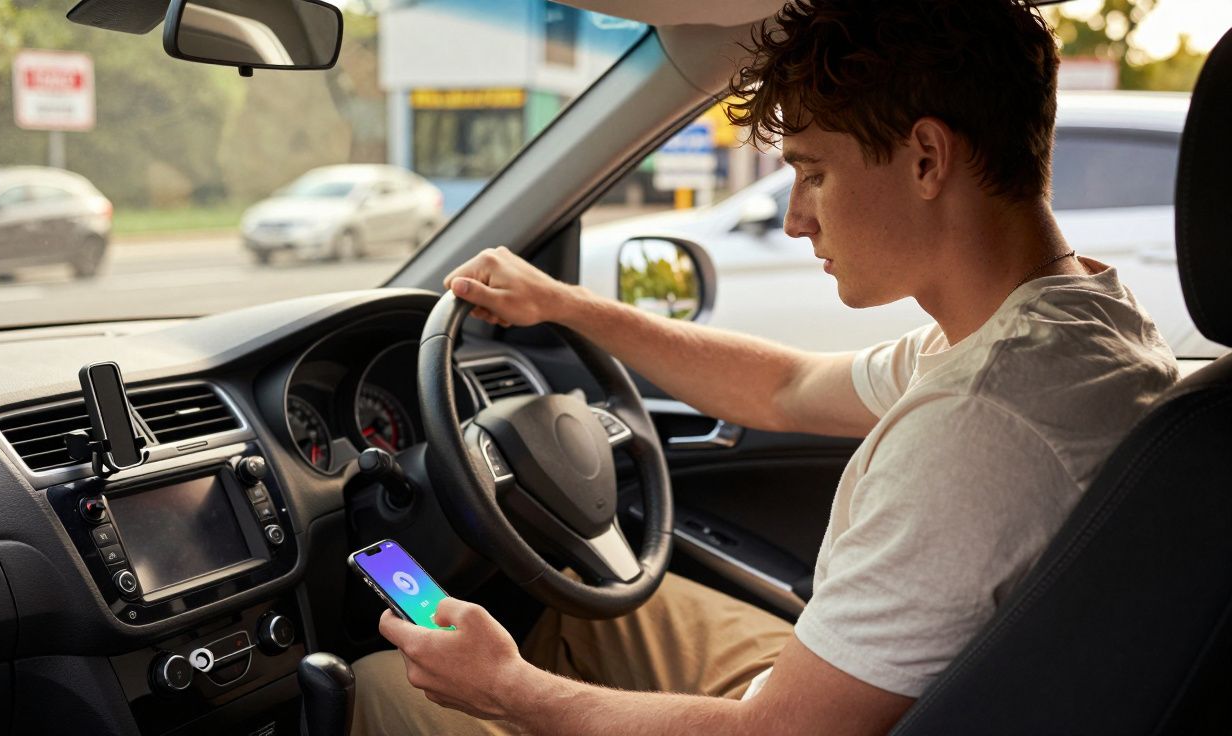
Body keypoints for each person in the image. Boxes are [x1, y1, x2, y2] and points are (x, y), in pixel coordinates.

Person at [350, 0, 1180, 733]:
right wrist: (567, 305)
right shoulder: (1075, 325)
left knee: (387, 687)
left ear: (927, 158)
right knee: (587, 609)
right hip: (879, 690)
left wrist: (512, 694)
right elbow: (782, 388)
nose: (792, 220)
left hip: (813, 718)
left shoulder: (976, 430)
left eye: (813, 173)